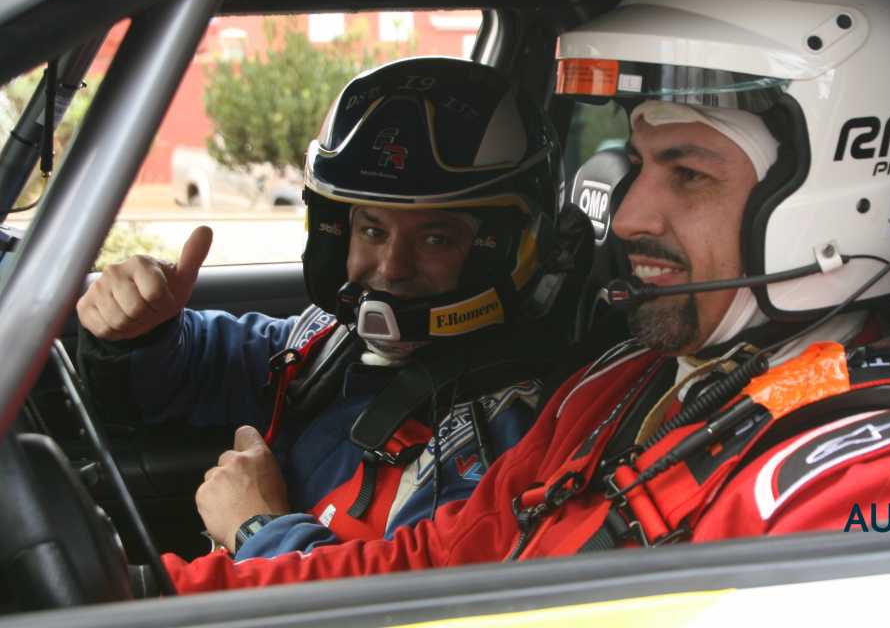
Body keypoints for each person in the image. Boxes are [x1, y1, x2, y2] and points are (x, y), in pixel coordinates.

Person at [161, 0, 890, 592]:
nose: (629, 216)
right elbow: (432, 567)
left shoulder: (883, 481)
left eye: (689, 174)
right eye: (638, 163)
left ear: (846, 195)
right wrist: (149, 595)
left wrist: (259, 538)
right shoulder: (622, 383)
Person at [76, 56, 573, 559]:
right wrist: (140, 329)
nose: (392, 267)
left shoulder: (505, 431)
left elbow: (415, 593)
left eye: (436, 238)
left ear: (502, 249)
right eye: (372, 229)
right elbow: (205, 363)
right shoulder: (331, 338)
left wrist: (257, 530)